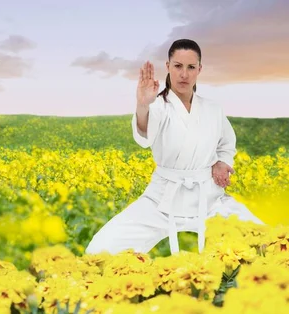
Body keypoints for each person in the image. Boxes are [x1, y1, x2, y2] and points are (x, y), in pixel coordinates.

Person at [84, 39, 265, 256]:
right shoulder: (158, 106)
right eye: (178, 66)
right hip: (163, 199)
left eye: (191, 67)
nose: (184, 74)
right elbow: (145, 133)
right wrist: (143, 105)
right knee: (99, 249)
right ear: (168, 67)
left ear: (200, 69)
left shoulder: (213, 109)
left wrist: (222, 162)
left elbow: (227, 143)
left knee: (269, 242)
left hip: (209, 198)